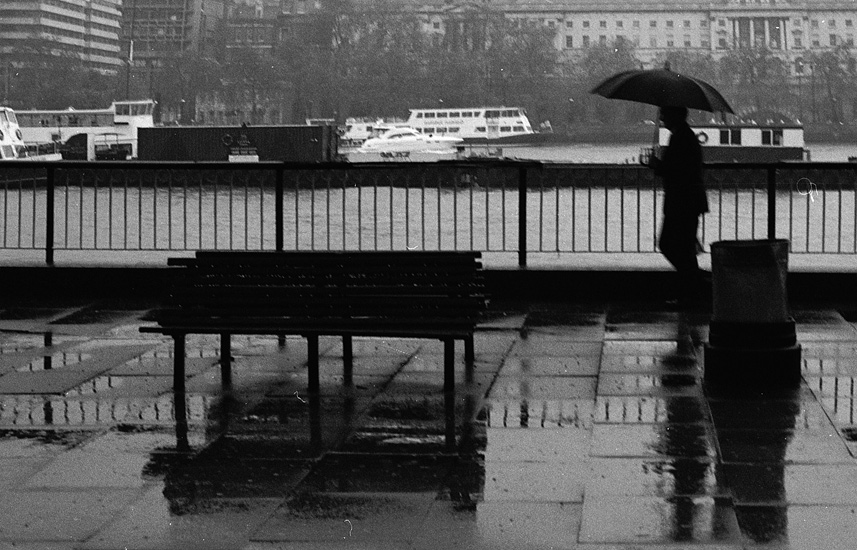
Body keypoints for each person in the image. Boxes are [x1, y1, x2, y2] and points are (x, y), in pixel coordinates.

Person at [648, 106, 709, 307]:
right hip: (689, 201)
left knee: (669, 244)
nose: (662, 118)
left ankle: (696, 286)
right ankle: (692, 291)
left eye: (664, 114)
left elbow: (674, 170)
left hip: (682, 201)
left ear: (674, 116)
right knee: (684, 248)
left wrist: (656, 164)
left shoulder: (680, 138)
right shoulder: (686, 136)